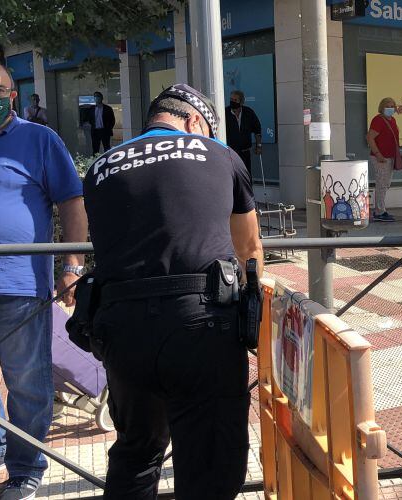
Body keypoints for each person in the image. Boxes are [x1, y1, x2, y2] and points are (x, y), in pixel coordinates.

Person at [82, 84, 262, 499]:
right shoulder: (221, 155)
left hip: (120, 328)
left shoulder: (100, 167)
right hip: (201, 325)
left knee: (136, 453)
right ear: (195, 122)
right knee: (210, 463)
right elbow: (248, 250)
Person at [0, 57, 88, 500]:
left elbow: (72, 203)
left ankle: (26, 467)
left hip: (19, 285)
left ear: (12, 95)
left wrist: (72, 267)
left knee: (27, 380)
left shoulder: (38, 139)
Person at [367, 97, 400, 222]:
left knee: (385, 184)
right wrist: (378, 154)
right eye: (387, 105)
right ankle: (379, 212)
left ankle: (381, 209)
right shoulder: (378, 120)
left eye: (392, 105)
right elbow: (370, 137)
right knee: (381, 184)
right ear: (382, 107)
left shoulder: (392, 120)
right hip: (381, 157)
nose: (390, 108)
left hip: (390, 157)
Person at [224, 90, 263, 174]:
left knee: (246, 175)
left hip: (245, 152)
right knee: (233, 175)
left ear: (241, 102)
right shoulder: (225, 113)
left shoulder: (248, 113)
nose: (232, 102)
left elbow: (257, 130)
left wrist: (259, 146)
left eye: (235, 100)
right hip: (230, 152)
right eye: (231, 99)